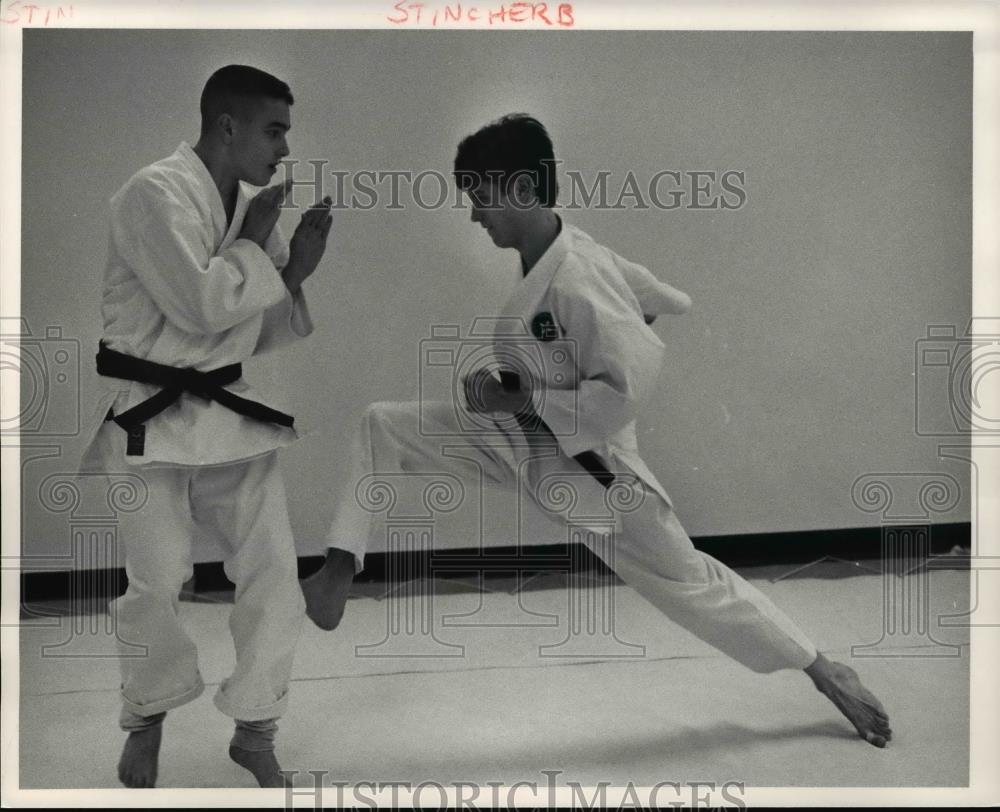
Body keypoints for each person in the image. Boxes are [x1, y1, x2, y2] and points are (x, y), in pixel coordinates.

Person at [302, 113, 892, 749]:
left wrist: (525, 392)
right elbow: (668, 297)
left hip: (595, 475)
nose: (475, 216)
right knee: (382, 426)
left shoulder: (579, 276)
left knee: (692, 584)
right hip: (525, 440)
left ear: (523, 191)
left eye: (480, 198)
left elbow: (625, 394)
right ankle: (339, 569)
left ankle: (826, 672)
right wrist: (631, 319)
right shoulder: (564, 254)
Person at [79, 64, 334, 788]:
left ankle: (256, 728)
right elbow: (201, 306)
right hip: (150, 418)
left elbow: (254, 332)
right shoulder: (151, 194)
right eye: (274, 130)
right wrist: (262, 251)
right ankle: (146, 717)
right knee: (156, 583)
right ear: (228, 125)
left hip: (229, 417)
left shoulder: (246, 208)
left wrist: (297, 274)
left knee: (275, 575)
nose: (284, 148)